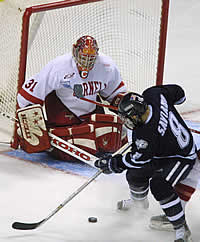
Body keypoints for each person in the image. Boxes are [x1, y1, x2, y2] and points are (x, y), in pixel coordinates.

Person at [95, 84, 198, 242]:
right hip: (162, 151)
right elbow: (179, 93)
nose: (125, 122)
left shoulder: (146, 134)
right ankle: (139, 205)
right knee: (134, 175)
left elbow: (138, 159)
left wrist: (113, 163)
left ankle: (180, 228)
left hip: (180, 156)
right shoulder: (154, 94)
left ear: (136, 114)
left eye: (127, 118)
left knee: (160, 185)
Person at [16, 35, 127, 159]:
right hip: (63, 112)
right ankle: (58, 140)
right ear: (74, 51)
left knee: (113, 137)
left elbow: (116, 95)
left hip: (90, 113)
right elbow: (30, 95)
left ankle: (64, 141)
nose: (86, 63)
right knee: (79, 145)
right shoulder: (59, 66)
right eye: (83, 57)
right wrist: (29, 124)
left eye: (91, 59)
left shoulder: (107, 66)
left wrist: (126, 106)